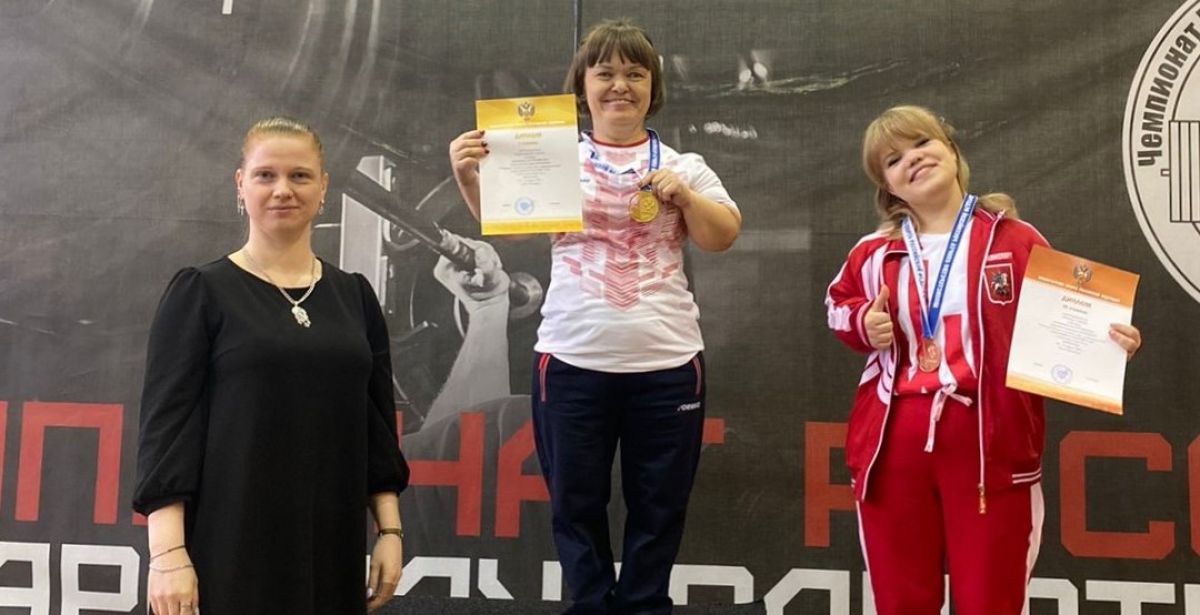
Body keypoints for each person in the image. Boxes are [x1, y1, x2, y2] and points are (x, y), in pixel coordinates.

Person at [448, 18, 742, 614]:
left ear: (653, 86)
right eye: (605, 73)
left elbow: (723, 235)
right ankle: (589, 605)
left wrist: (685, 198)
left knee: (660, 506)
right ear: (582, 85)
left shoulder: (685, 165)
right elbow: (510, 226)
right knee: (573, 503)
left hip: (667, 363)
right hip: (572, 357)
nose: (620, 86)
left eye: (635, 74)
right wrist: (466, 176)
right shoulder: (551, 157)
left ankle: (644, 606)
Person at [824, 105, 1142, 615]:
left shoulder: (1014, 238)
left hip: (989, 443)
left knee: (990, 600)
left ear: (951, 150)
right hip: (893, 440)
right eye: (893, 159)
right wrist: (863, 322)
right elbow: (837, 306)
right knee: (902, 601)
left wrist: (1109, 342)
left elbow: (1066, 319)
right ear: (888, 187)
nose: (913, 159)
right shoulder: (872, 252)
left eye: (922, 143)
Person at [133, 117, 410, 615]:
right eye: (266, 175)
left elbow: (377, 425)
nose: (283, 189)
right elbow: (167, 430)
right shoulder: (201, 292)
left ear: (323, 187)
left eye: (300, 175)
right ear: (241, 185)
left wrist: (389, 530)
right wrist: (168, 556)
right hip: (229, 544)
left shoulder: (355, 296)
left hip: (332, 545)